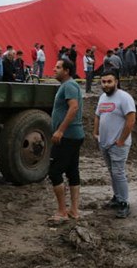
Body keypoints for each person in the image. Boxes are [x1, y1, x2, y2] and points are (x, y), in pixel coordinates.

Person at [93, 71, 136, 218]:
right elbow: (98, 116)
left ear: (116, 81)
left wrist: (122, 140)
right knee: (112, 172)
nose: (106, 84)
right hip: (104, 143)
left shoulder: (124, 98)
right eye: (103, 82)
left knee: (118, 173)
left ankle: (124, 203)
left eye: (109, 81)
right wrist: (95, 133)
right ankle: (117, 197)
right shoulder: (102, 97)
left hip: (118, 144)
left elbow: (131, 120)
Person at [49, 59, 84, 221]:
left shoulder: (69, 85)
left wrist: (60, 131)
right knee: (72, 171)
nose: (54, 69)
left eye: (58, 67)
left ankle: (62, 211)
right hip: (73, 135)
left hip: (68, 136)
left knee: (55, 172)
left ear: (67, 71)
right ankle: (74, 211)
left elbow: (74, 107)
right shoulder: (69, 85)